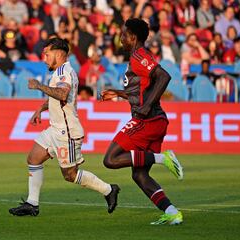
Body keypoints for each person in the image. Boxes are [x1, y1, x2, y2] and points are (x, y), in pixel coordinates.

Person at [9, 38, 120, 216]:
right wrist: (41, 108)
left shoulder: (64, 71)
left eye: (47, 54)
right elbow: (56, 97)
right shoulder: (59, 72)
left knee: (70, 175)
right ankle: (32, 204)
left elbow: (61, 94)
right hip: (55, 129)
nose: (44, 58)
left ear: (59, 53)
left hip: (66, 132)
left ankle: (109, 189)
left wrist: (38, 86)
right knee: (33, 158)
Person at [100, 18, 184, 225]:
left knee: (110, 159)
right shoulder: (136, 58)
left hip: (147, 120)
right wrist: (118, 93)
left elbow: (164, 77)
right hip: (155, 121)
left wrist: (146, 107)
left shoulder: (139, 55)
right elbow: (141, 90)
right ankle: (172, 212)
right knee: (139, 175)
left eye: (123, 34)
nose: (120, 38)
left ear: (133, 37)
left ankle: (162, 158)